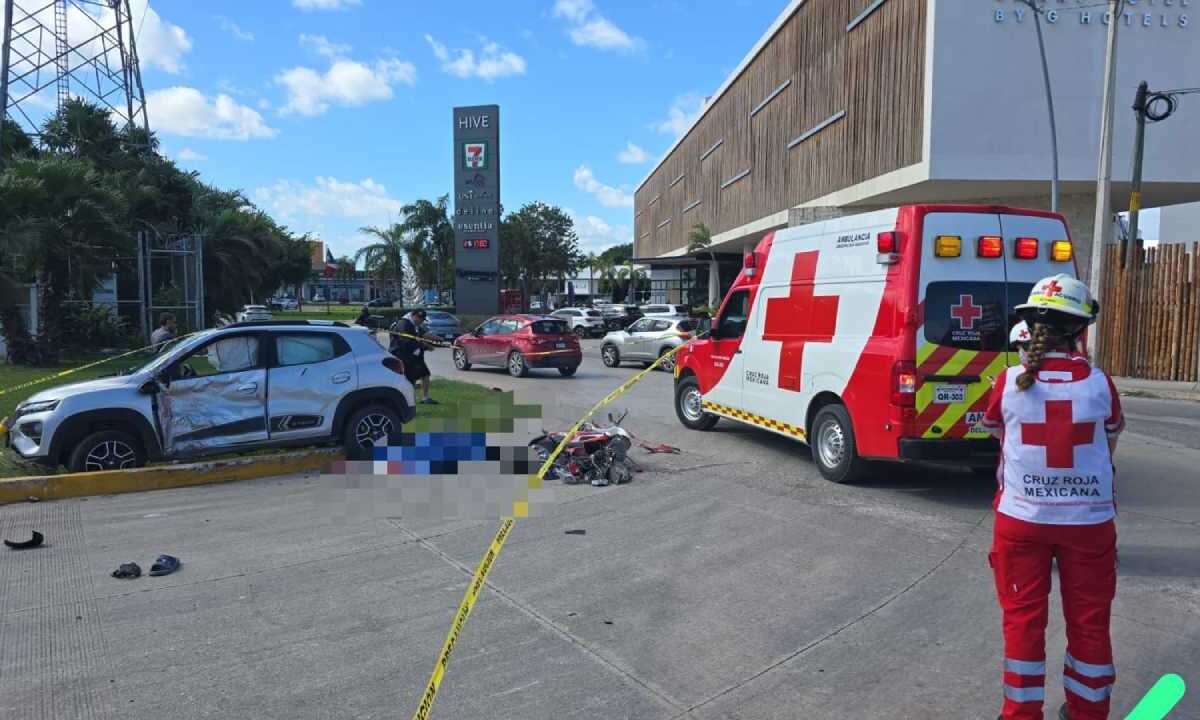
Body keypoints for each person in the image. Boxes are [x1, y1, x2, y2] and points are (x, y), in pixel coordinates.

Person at [981, 274, 1124, 720]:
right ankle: (1088, 711)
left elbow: (996, 433)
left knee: (1022, 619)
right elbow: (1110, 439)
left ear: (1030, 327)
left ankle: (1020, 713)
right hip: (1089, 524)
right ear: (1080, 329)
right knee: (1090, 620)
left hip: (1022, 520)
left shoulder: (1008, 381)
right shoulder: (1100, 383)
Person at [389, 309, 437, 404]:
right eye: (420, 318)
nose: (421, 321)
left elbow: (424, 334)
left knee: (424, 374)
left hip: (414, 355)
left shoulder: (415, 325)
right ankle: (407, 401)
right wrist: (424, 346)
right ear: (413, 315)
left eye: (423, 319)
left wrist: (437, 339)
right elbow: (406, 341)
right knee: (408, 379)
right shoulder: (404, 324)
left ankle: (424, 398)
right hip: (402, 355)